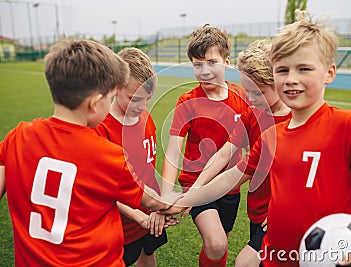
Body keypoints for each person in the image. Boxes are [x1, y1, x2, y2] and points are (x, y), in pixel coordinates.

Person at [167, 11, 351, 267]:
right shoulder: (271, 135)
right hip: (275, 254)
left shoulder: (347, 125)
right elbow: (231, 175)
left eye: (304, 69)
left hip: (328, 256)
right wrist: (182, 200)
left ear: (329, 73)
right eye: (282, 70)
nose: (291, 79)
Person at [0, 39, 180, 267]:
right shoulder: (105, 154)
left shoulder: (17, 136)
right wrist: (189, 199)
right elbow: (153, 202)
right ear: (96, 102)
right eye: (110, 94)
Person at [191, 39, 291, 267]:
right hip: (258, 211)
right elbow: (224, 155)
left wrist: (286, 210)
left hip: (282, 216)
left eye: (258, 92)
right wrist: (195, 191)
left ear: (277, 81)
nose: (252, 99)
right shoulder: (251, 115)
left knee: (245, 262)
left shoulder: (297, 120)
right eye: (248, 91)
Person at [161, 24, 249, 266]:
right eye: (197, 65)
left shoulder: (242, 98)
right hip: (196, 185)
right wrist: (167, 194)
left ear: (227, 62)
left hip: (230, 188)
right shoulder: (187, 102)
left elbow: (254, 148)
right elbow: (172, 151)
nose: (204, 71)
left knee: (220, 245)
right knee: (217, 242)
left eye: (211, 62)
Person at [95, 47, 176, 267]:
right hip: (117, 225)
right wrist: (138, 216)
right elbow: (103, 188)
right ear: (115, 88)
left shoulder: (145, 117)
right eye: (134, 99)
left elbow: (149, 172)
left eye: (147, 100)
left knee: (147, 256)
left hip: (149, 218)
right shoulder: (101, 129)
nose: (141, 106)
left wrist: (157, 209)